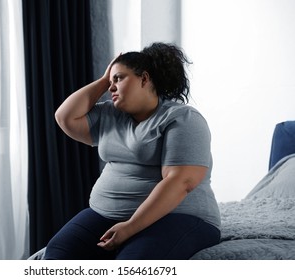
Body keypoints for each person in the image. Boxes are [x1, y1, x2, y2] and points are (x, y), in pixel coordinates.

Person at [44, 42, 221, 260]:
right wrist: (103, 80)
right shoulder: (109, 115)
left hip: (178, 216)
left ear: (144, 79)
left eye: (118, 78)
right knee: (56, 255)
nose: (111, 88)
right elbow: (65, 117)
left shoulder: (182, 119)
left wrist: (129, 228)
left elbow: (180, 182)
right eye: (110, 81)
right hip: (106, 214)